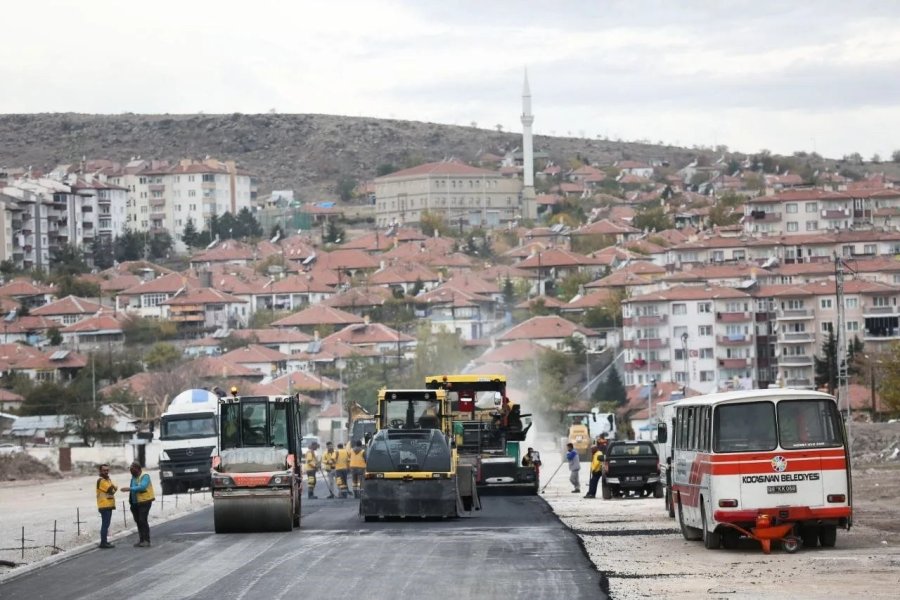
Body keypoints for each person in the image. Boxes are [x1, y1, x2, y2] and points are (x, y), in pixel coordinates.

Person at [120, 461, 154, 548]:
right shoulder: (133, 478)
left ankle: (146, 540)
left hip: (145, 502)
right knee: (138, 521)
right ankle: (142, 540)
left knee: (142, 520)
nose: (131, 471)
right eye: (130, 469)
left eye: (132, 469)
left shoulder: (145, 476)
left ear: (138, 469)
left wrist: (129, 489)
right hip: (135, 503)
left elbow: (142, 487)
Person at [95, 463, 117, 549]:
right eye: (104, 470)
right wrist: (114, 487)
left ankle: (104, 542)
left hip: (108, 505)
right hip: (104, 505)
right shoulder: (101, 481)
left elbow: (114, 488)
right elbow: (112, 489)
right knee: (105, 524)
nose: (106, 472)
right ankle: (103, 543)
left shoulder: (107, 480)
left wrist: (114, 487)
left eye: (107, 470)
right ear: (100, 471)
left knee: (106, 524)